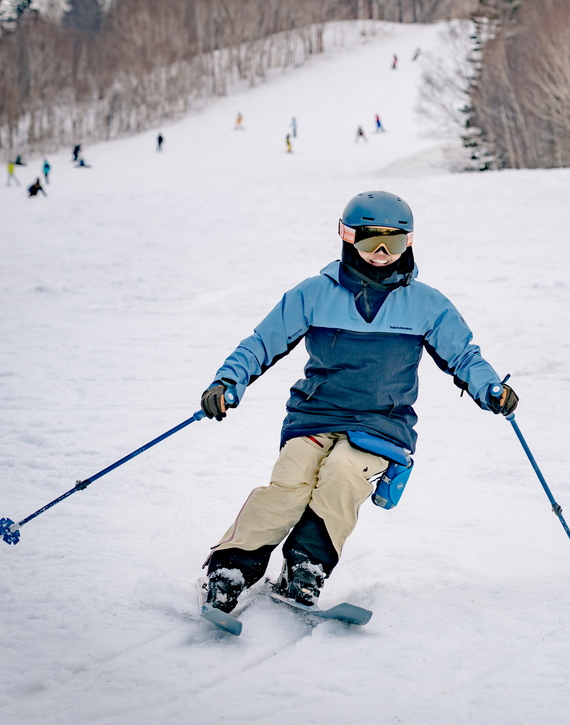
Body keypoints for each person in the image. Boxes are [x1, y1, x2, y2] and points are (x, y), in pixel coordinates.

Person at [197, 191, 518, 613]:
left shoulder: (427, 304)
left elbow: (463, 356)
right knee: (292, 481)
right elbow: (262, 343)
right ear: (347, 239)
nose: (382, 254)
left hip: (382, 422)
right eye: (370, 242)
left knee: (344, 475)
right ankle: (230, 569)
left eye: (395, 243)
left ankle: (305, 569)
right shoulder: (313, 294)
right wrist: (228, 381)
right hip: (315, 414)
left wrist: (490, 388)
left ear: (410, 242)